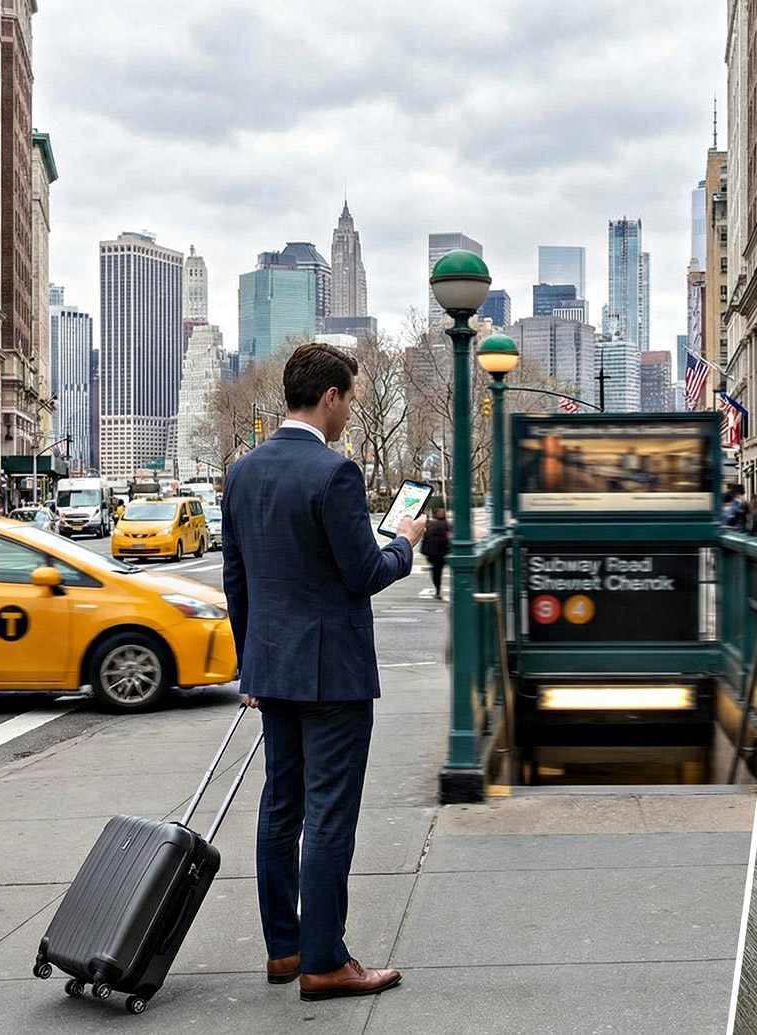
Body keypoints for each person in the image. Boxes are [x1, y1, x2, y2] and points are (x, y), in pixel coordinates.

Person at [222, 342, 426, 1002]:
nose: (351, 409)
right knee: (330, 815)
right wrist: (404, 545)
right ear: (330, 397)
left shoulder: (242, 472)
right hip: (332, 674)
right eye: (351, 397)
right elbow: (365, 573)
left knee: (281, 808)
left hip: (271, 668)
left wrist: (248, 661)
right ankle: (325, 959)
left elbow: (237, 578)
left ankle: (284, 948)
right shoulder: (333, 473)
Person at [420, 510, 451, 601]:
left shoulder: (431, 526)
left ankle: (437, 590)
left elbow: (426, 539)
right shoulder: (447, 525)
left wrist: (425, 551)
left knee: (436, 573)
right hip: (444, 552)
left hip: (433, 553)